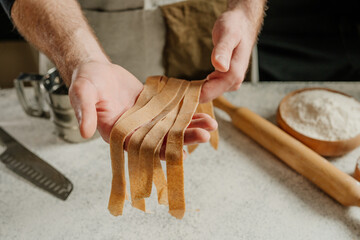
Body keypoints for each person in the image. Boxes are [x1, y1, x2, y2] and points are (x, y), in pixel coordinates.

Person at [0, 0, 266, 150]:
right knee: (87, 149)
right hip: (80, 25)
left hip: (212, 16)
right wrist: (83, 57)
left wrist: (246, 10)